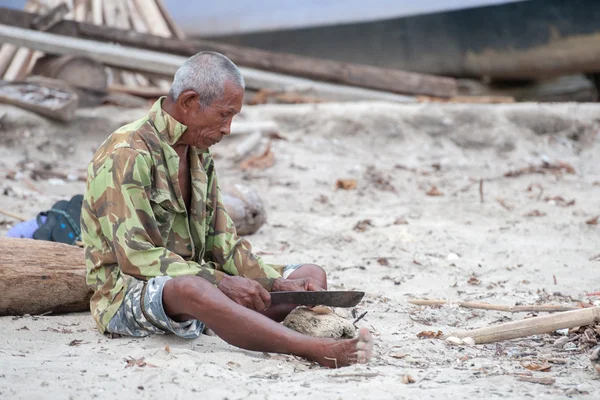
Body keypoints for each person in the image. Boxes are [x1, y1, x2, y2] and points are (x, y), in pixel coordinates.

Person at [81, 52, 372, 368]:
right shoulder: (127, 152)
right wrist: (220, 282)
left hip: (205, 287)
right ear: (190, 102)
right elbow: (136, 258)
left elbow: (225, 245)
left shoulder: (199, 153)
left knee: (309, 275)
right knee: (194, 288)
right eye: (224, 115)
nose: (229, 128)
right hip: (130, 294)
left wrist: (274, 284)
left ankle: (232, 320)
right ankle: (308, 348)